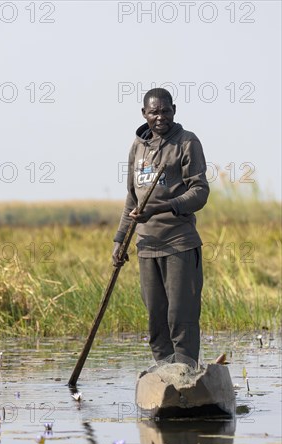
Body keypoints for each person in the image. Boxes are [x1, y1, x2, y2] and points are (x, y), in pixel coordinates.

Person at [112, 87, 209, 368]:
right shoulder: (138, 147)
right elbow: (132, 198)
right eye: (154, 112)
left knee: (181, 316)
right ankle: (165, 375)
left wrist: (164, 207)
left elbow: (200, 191)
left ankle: (186, 374)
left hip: (179, 243)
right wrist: (120, 240)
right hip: (146, 246)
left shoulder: (187, 142)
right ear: (144, 114)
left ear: (174, 110)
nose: (160, 117)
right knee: (156, 318)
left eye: (165, 111)